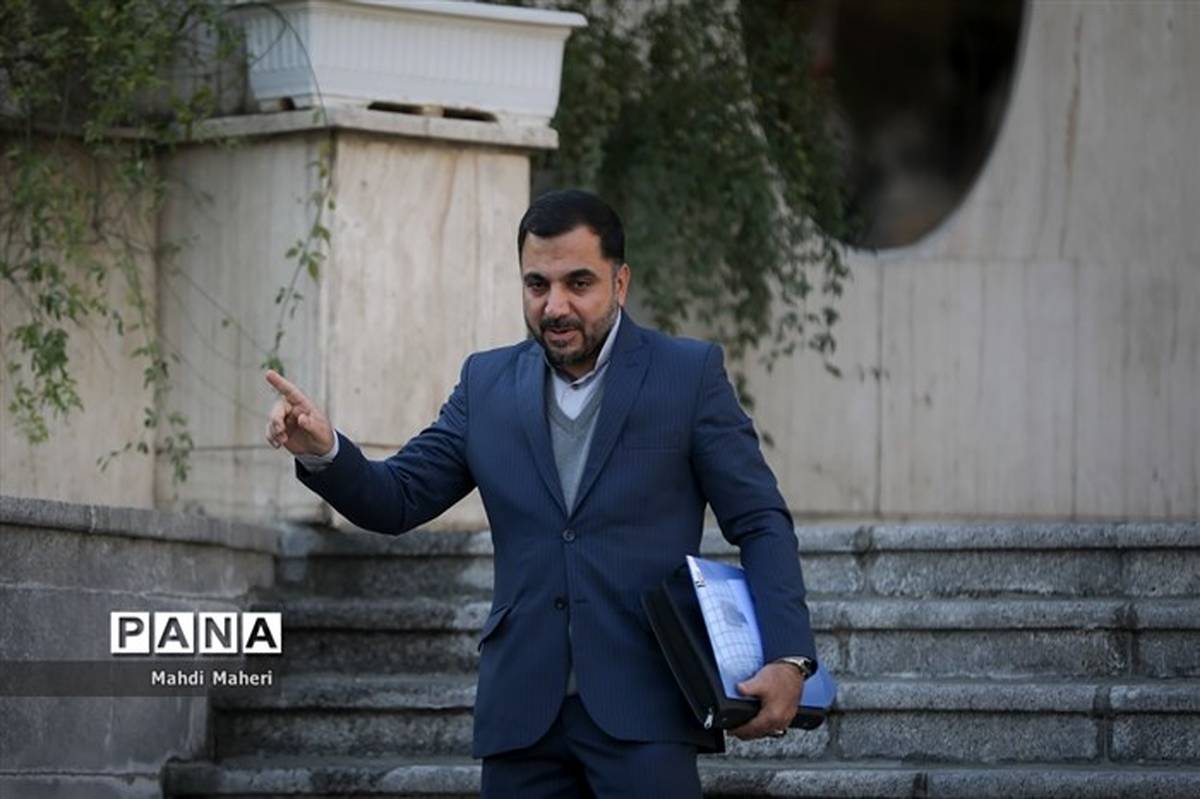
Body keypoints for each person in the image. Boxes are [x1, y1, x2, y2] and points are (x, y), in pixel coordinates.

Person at [265, 189, 818, 798]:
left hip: (648, 709)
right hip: (521, 717)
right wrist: (324, 450)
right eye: (537, 285)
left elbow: (760, 520)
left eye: (578, 283)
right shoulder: (485, 383)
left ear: (621, 282)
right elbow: (396, 499)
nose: (555, 305)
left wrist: (788, 656)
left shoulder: (688, 376)